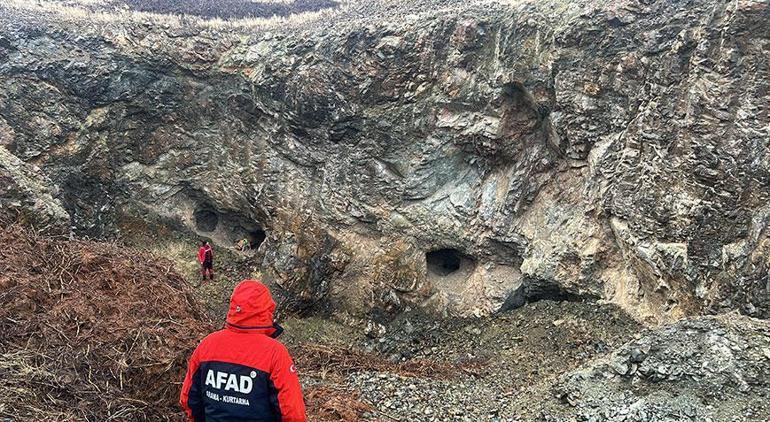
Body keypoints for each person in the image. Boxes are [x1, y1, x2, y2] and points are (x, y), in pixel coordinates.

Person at [180, 280, 306, 421]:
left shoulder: (207, 345)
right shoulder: (275, 353)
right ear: (267, 310)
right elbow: (292, 412)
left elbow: (189, 399)